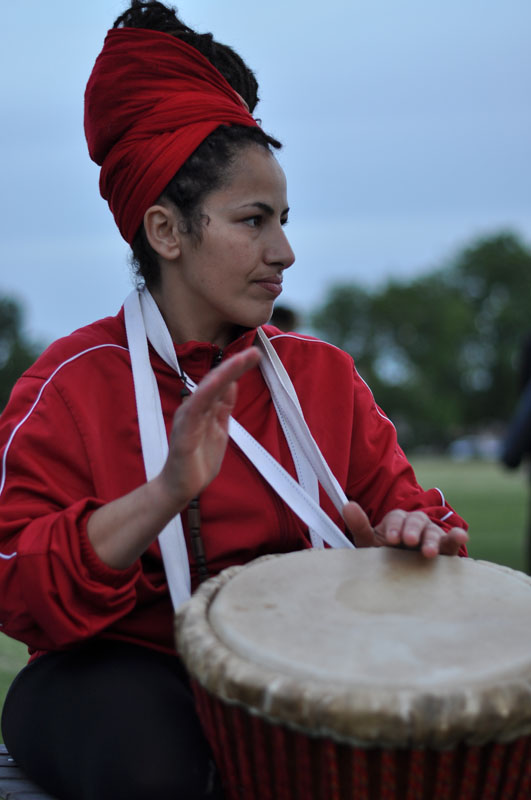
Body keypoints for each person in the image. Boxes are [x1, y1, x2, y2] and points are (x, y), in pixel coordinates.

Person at [0, 2, 468, 798]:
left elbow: (421, 521)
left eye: (283, 220)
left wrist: (410, 536)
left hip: (303, 667)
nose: (283, 252)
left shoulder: (322, 376)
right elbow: (14, 580)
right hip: (124, 677)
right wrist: (165, 492)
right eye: (253, 221)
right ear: (166, 230)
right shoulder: (68, 386)